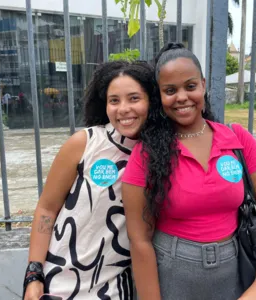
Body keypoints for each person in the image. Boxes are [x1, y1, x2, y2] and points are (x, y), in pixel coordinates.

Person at [122, 43, 256, 300]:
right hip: (173, 274)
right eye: (170, 90)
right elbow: (140, 240)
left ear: (203, 84)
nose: (181, 97)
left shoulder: (236, 139)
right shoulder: (147, 154)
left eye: (190, 86)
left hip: (234, 271)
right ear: (160, 95)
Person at [23, 60, 156, 300]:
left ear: (151, 101)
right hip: (59, 284)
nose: (123, 108)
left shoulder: (160, 154)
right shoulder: (86, 143)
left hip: (113, 289)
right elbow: (47, 208)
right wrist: (34, 275)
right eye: (114, 100)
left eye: (134, 98)